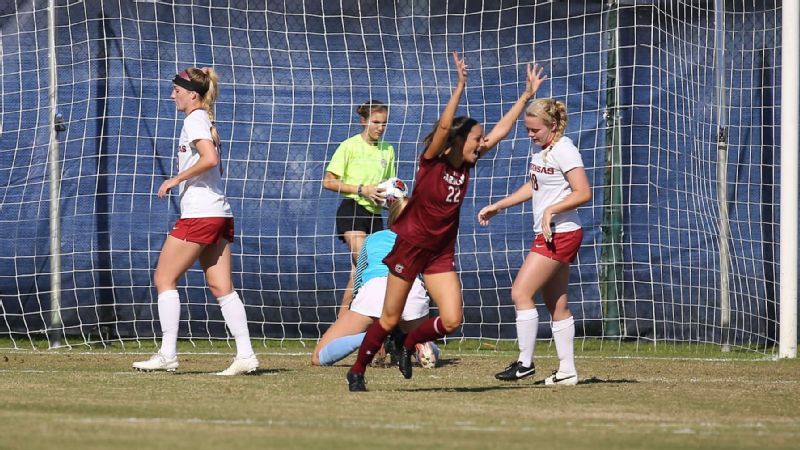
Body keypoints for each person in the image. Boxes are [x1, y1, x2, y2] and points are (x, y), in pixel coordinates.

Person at [345, 52, 548, 392]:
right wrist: (460, 86)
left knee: (452, 319)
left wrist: (526, 96)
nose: (481, 143)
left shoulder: (466, 165)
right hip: (410, 247)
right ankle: (357, 370)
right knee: (390, 317)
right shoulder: (432, 163)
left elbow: (500, 131)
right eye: (475, 139)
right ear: (457, 141)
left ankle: (408, 345)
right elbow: (443, 126)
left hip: (439, 252)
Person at [133, 67, 258, 376]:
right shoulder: (205, 120)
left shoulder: (195, 119)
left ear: (192, 94)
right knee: (221, 285)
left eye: (177, 90)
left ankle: (167, 354)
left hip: (201, 214)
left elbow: (210, 160)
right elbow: (216, 166)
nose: (171, 94)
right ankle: (246, 355)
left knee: (164, 278)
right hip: (219, 212)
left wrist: (175, 179)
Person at [477, 98, 591, 386]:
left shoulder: (565, 149)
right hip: (552, 233)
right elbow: (534, 185)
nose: (529, 135)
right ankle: (567, 372)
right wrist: (499, 205)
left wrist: (551, 211)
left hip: (561, 232)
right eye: (527, 129)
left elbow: (583, 192)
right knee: (557, 304)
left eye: (534, 130)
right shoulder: (542, 152)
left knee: (520, 292)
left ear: (552, 126)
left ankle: (524, 363)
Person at [311, 197, 440, 368]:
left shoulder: (373, 239)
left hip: (374, 291)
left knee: (319, 357)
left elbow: (359, 277)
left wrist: (353, 312)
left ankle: (372, 337)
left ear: (391, 216)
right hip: (411, 290)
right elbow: (426, 277)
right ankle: (420, 345)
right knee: (423, 338)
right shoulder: (423, 242)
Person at [322, 100, 395, 316]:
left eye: (384, 123)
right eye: (375, 122)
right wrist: (362, 189)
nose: (380, 128)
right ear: (363, 121)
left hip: (375, 215)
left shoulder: (388, 149)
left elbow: (388, 185)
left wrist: (390, 200)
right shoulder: (349, 146)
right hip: (352, 209)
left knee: (358, 273)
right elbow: (328, 181)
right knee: (369, 260)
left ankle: (342, 326)